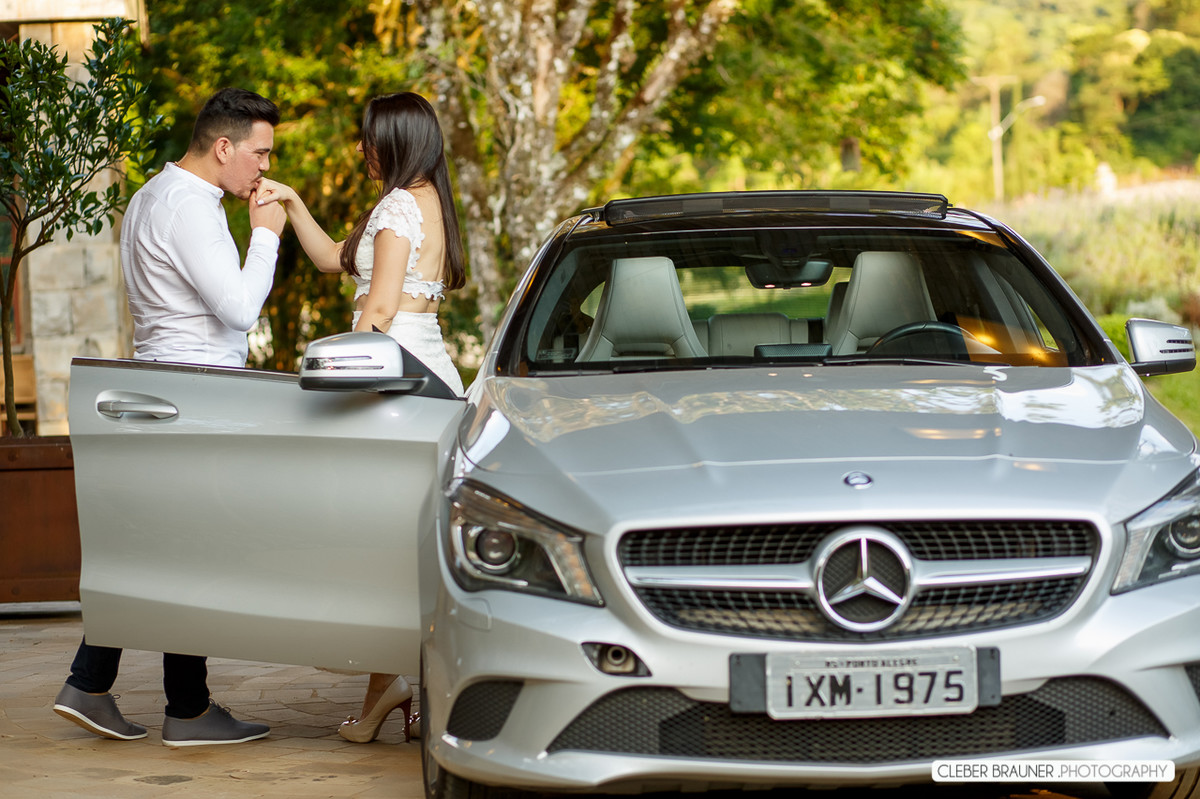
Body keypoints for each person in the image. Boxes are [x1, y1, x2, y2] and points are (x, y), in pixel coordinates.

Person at [53, 87, 287, 747]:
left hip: (165, 390)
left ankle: (96, 683)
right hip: (198, 397)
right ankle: (180, 708)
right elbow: (239, 309)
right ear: (223, 146)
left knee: (165, 549)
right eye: (260, 153)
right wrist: (265, 237)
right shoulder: (191, 208)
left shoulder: (152, 196)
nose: (263, 168)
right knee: (189, 554)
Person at [255, 90, 467, 742]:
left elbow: (375, 313)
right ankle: (395, 685)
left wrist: (328, 384)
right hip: (426, 381)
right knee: (399, 546)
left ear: (398, 140)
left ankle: (388, 683)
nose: (362, 149)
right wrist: (291, 201)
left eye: (370, 138)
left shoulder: (401, 206)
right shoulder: (423, 201)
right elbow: (331, 259)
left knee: (374, 544)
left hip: (392, 387)